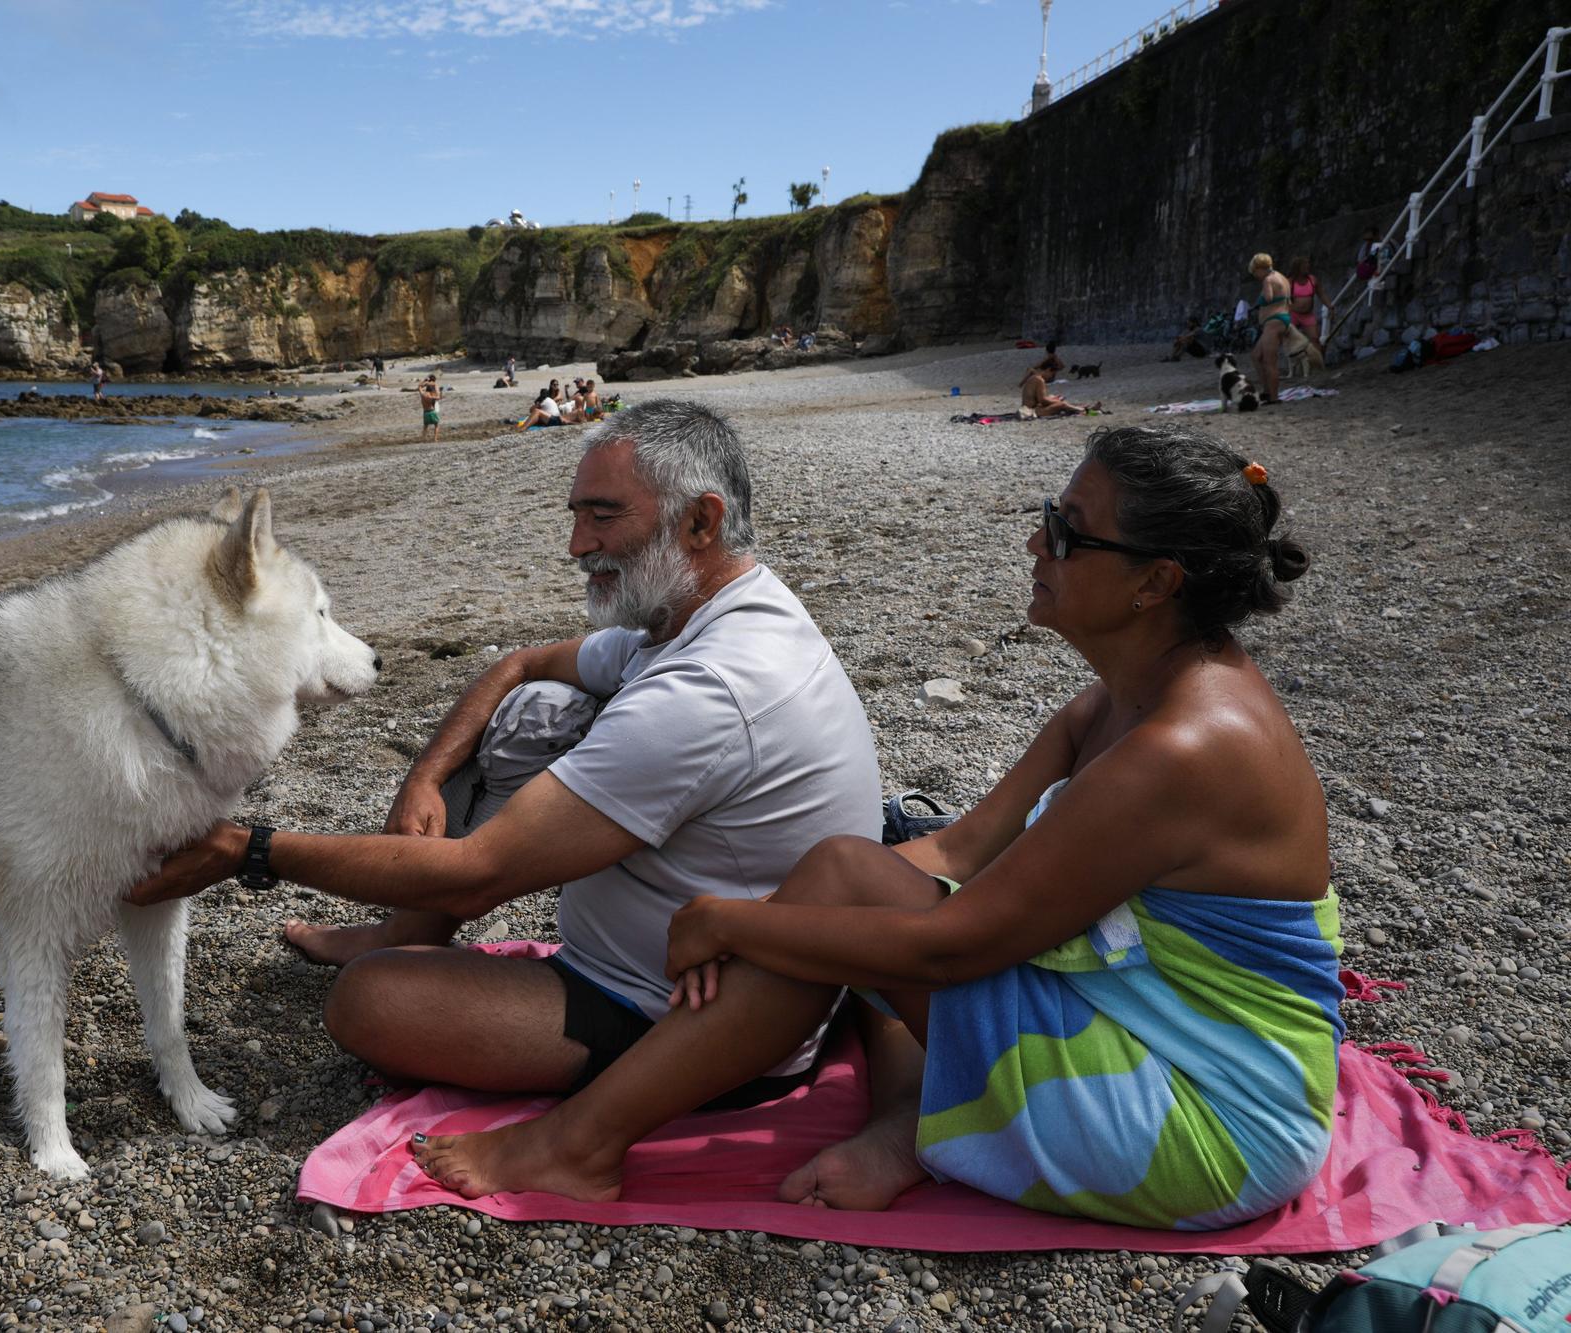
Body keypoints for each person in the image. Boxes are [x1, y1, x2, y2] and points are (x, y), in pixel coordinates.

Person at [408, 427, 1337, 1232]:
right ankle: (903, 1124)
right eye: (1047, 514)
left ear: (1155, 584)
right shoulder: (1116, 704)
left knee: (844, 891)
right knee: (846, 876)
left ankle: (581, 1140)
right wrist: (785, 910)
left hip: (1205, 1115)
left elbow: (950, 944)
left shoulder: (1182, 748)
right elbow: (956, 853)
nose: (1033, 542)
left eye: (1065, 532)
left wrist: (734, 923)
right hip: (1144, 1022)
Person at [126, 400, 881, 1119]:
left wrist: (247, 850)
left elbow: (482, 870)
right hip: (673, 957)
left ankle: (422, 967)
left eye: (603, 515)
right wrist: (425, 777)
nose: (577, 544)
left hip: (691, 1022)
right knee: (523, 711)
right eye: (576, 515)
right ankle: (402, 930)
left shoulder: (710, 688)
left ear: (699, 521)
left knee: (369, 1002)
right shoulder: (709, 614)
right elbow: (522, 664)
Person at [1249, 253, 1292, 405]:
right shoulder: (1282, 277)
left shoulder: (1268, 279)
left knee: (1270, 361)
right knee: (1256, 355)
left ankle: (1273, 397)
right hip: (1281, 319)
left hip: (1274, 322)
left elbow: (1268, 298)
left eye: (1255, 272)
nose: (1255, 276)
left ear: (1259, 268)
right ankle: (1267, 391)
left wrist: (1258, 304)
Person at [1019, 365, 1098, 418]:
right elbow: (1042, 400)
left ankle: (1083, 408)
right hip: (1030, 411)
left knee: (1054, 397)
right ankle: (1086, 411)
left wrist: (1053, 398)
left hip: (1031, 408)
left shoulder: (1035, 378)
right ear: (1048, 370)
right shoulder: (1039, 380)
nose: (1052, 377)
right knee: (1062, 404)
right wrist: (1056, 401)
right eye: (1052, 374)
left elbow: (1039, 399)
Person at [419, 375, 445, 440]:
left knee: (425, 426)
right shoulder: (431, 397)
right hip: (432, 411)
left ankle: (423, 438)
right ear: (431, 390)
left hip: (425, 412)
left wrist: (425, 380)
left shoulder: (422, 394)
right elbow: (440, 398)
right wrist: (441, 391)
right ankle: (435, 438)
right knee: (436, 425)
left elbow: (419, 386)